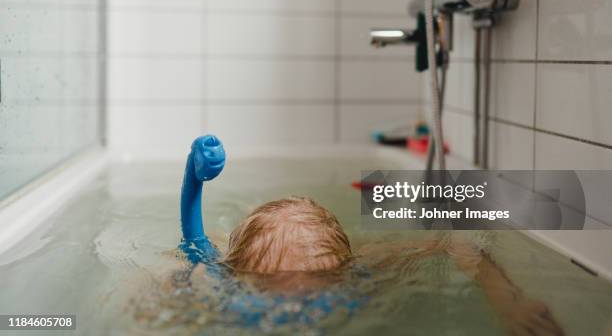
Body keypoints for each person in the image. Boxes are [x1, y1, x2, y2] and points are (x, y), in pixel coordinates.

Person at [174, 135, 564, 334]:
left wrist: (508, 303)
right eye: (266, 290)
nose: (292, 312)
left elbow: (454, 240)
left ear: (345, 272)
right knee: (230, 234)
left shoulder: (370, 265)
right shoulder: (215, 274)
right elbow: (167, 270)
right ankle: (249, 219)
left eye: (313, 290)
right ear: (236, 276)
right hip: (238, 249)